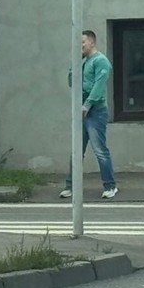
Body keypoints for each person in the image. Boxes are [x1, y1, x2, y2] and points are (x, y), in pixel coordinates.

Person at [60, 30, 117, 199]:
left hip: (96, 111)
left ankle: (110, 186)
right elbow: (72, 83)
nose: (80, 46)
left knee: (100, 150)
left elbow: (99, 86)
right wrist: (75, 64)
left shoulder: (101, 61)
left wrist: (87, 105)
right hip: (82, 111)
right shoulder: (84, 62)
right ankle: (71, 186)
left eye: (82, 42)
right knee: (76, 151)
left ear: (92, 42)